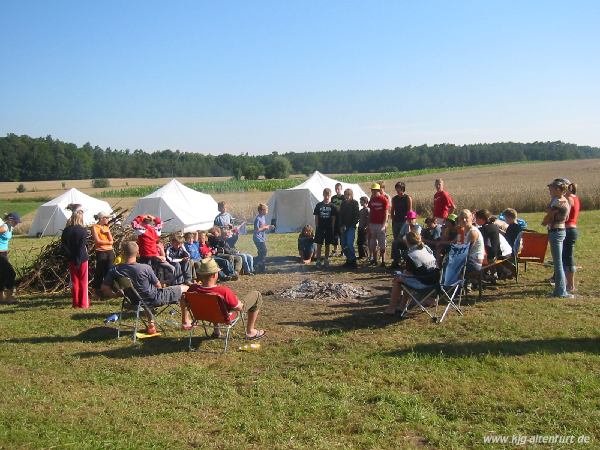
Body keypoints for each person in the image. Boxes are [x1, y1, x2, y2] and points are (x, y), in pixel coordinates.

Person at [101, 241, 189, 335]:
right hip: (154, 299)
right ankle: (186, 322)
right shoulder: (145, 268)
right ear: (138, 253)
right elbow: (158, 286)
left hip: (134, 301)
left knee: (145, 294)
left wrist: (115, 295)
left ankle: (151, 325)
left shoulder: (115, 269)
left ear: (122, 252)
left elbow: (104, 288)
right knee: (185, 288)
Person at [183, 258, 265, 340]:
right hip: (225, 317)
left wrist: (185, 319)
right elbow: (239, 308)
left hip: (203, 315)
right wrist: (237, 301)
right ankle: (251, 331)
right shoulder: (223, 291)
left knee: (212, 305)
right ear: (214, 275)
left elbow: (183, 300)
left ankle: (216, 331)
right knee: (256, 295)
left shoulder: (193, 289)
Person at [385, 232, 439, 315]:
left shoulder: (411, 255)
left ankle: (391, 308)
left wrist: (401, 274)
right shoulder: (426, 248)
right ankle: (403, 306)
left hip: (425, 283)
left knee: (398, 279)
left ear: (407, 242)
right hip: (435, 279)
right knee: (406, 278)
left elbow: (408, 274)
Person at [542, 178, 572, 298]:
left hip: (556, 231)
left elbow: (549, 215)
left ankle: (560, 291)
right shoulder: (561, 199)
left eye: (552, 188)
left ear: (559, 189)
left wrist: (544, 222)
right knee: (558, 262)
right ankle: (561, 289)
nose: (549, 190)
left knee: (558, 263)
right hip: (559, 230)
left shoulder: (559, 202)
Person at [61, 204, 90, 309]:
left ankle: (75, 303)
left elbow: (63, 246)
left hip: (71, 259)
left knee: (75, 281)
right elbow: (82, 247)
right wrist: (78, 260)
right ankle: (83, 303)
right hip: (82, 259)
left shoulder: (66, 230)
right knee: (83, 282)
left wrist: (71, 257)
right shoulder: (82, 230)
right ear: (80, 216)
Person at [91, 211, 114, 297]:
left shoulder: (106, 227)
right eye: (107, 218)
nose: (108, 219)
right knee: (99, 272)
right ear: (101, 218)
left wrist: (107, 233)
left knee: (109, 271)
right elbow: (97, 241)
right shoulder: (94, 227)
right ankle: (96, 291)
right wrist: (108, 242)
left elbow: (112, 241)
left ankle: (108, 291)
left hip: (110, 252)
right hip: (101, 252)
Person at [456, 209, 484, 276]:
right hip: (468, 259)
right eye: (462, 218)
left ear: (471, 218)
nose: (464, 220)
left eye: (466, 218)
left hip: (475, 261)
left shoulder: (473, 232)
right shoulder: (462, 230)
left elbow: (467, 251)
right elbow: (458, 245)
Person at [0, 212, 20, 304]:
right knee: (11, 274)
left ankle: (1, 298)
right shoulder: (4, 227)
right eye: (15, 221)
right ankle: (9, 298)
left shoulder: (10, 227)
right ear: (10, 220)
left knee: (2, 276)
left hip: (3, 253)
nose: (17, 223)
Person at [313, 188, 337, 268]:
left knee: (327, 245)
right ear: (323, 195)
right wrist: (317, 226)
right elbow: (316, 216)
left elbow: (333, 218)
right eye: (326, 195)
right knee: (319, 245)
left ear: (330, 196)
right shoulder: (319, 205)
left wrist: (332, 227)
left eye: (329, 195)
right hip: (320, 227)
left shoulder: (332, 206)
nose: (327, 197)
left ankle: (326, 260)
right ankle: (318, 261)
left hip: (329, 228)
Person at [367, 183, 389, 266]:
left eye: (374, 190)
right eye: (372, 190)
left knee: (382, 243)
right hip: (373, 223)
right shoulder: (372, 200)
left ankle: (383, 260)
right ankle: (375, 259)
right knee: (373, 243)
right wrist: (368, 224)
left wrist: (384, 224)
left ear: (378, 190)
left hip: (380, 224)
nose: (372, 191)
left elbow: (386, 213)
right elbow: (370, 212)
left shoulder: (384, 200)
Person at [564, 182, 580, 293]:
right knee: (567, 256)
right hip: (572, 229)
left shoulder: (569, 199)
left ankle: (570, 285)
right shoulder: (575, 197)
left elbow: (565, 216)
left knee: (568, 257)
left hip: (568, 229)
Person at [338, 188, 360, 268]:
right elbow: (340, 215)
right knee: (343, 244)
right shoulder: (343, 203)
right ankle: (349, 260)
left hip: (351, 227)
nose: (347, 196)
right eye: (345, 195)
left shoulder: (355, 203)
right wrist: (341, 225)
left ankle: (353, 261)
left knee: (349, 243)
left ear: (351, 195)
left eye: (348, 195)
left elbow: (356, 216)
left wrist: (350, 225)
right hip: (343, 227)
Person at [253, 203, 274, 273]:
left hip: (261, 238)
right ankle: (258, 265)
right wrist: (265, 227)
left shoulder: (263, 217)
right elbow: (257, 229)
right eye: (266, 210)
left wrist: (268, 226)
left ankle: (259, 266)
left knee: (261, 253)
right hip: (257, 238)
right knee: (264, 251)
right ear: (262, 211)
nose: (267, 211)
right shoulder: (258, 219)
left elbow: (263, 226)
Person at [330, 183, 345, 257]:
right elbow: (332, 208)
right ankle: (335, 250)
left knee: (342, 234)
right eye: (336, 188)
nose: (337, 190)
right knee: (335, 235)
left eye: (338, 189)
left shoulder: (344, 197)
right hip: (334, 218)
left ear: (341, 189)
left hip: (342, 219)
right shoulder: (333, 198)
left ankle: (343, 250)